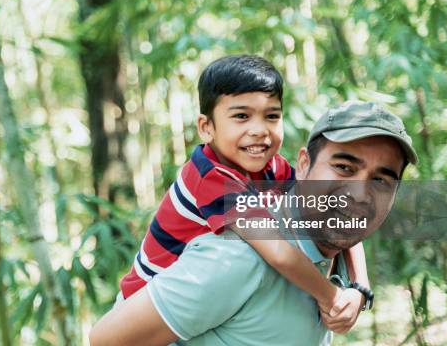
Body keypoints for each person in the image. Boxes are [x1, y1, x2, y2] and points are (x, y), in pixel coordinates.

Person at [90, 100, 418, 345]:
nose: (359, 195)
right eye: (344, 168)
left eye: (381, 181)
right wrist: (331, 296)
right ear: (303, 166)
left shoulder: (327, 236)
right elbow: (106, 341)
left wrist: (360, 287)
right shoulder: (238, 259)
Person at [118, 56, 367, 330]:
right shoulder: (211, 177)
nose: (259, 130)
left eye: (272, 116)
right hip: (144, 306)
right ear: (206, 128)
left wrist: (360, 288)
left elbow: (332, 213)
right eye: (241, 116)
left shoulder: (272, 167)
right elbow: (278, 253)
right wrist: (331, 297)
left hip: (198, 298)